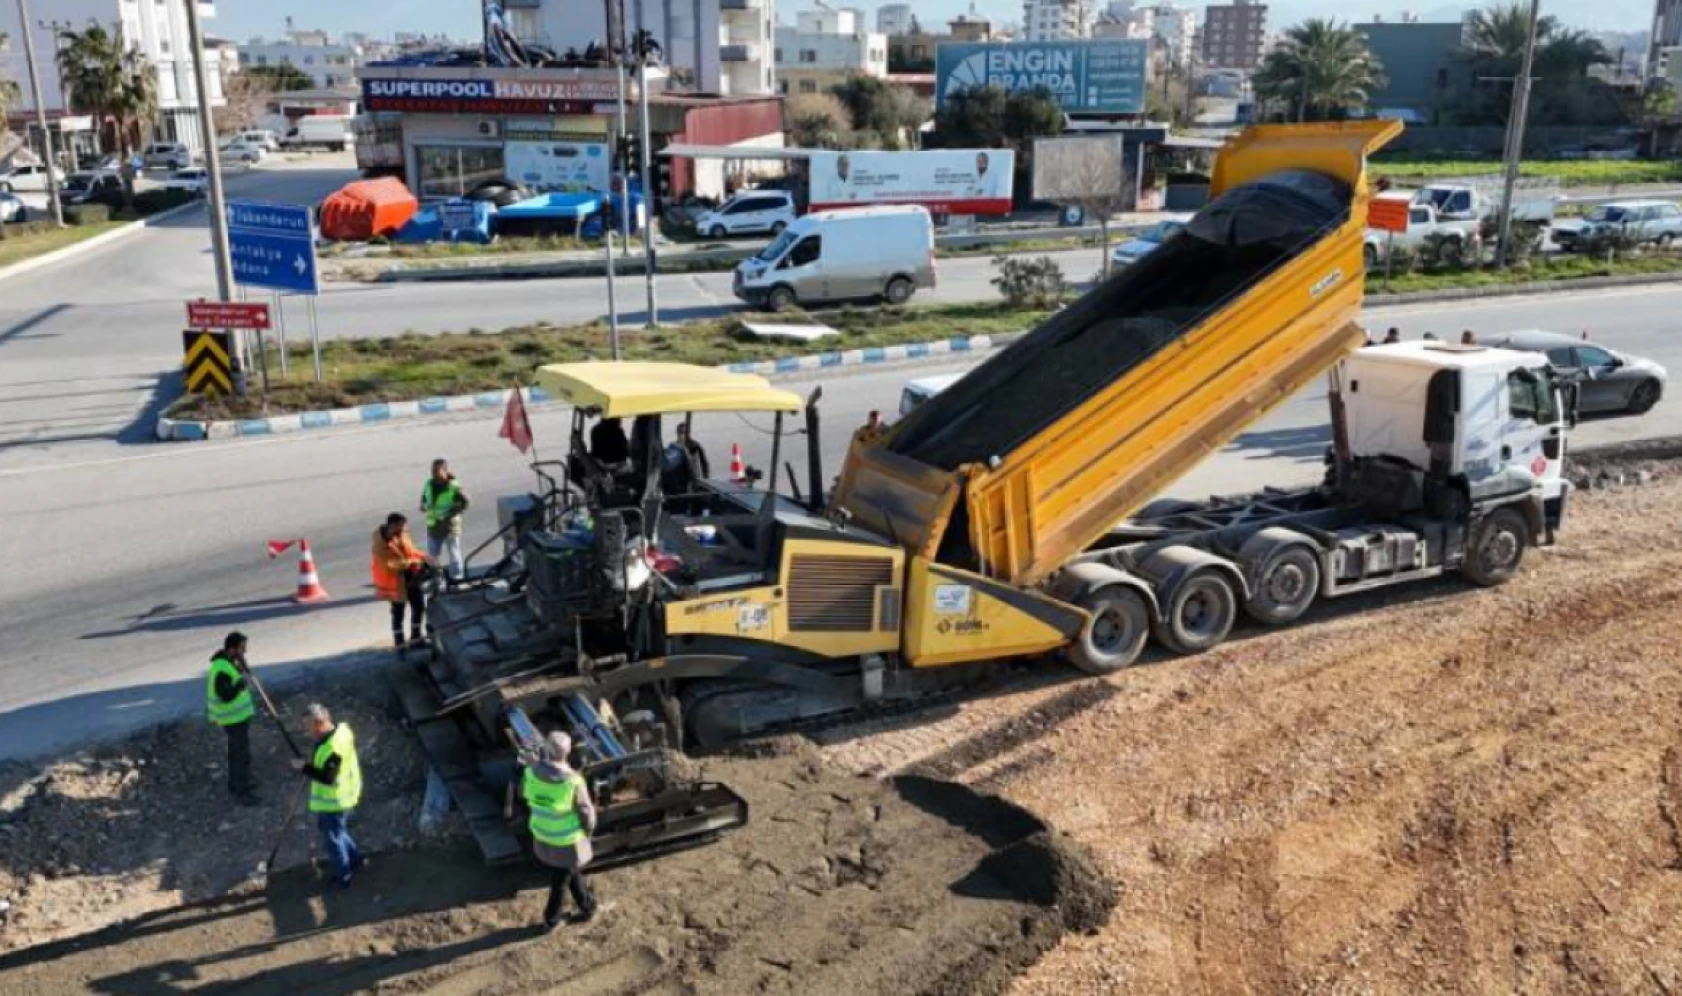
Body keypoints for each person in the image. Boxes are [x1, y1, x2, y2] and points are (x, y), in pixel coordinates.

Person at [523, 731, 600, 931]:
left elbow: (526, 793)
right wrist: (587, 833)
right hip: (566, 841)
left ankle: (588, 905)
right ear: (568, 752)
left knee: (569, 870)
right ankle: (551, 919)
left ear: (546, 749)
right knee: (560, 879)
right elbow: (587, 815)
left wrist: (535, 764)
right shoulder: (573, 781)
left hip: (542, 834)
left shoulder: (530, 772)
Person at [294, 703, 364, 890]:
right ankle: (356, 859)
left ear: (318, 723)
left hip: (335, 801)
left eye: (307, 726)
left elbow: (327, 777)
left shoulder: (332, 747)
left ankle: (344, 876)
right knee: (339, 832)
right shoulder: (341, 732)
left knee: (333, 839)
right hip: (346, 794)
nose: (305, 730)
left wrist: (304, 768)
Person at [206, 631, 259, 807]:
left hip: (238, 718)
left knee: (239, 753)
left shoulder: (228, 662)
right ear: (232, 648)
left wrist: (240, 668)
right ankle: (241, 790)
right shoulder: (221, 669)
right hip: (232, 720)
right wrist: (239, 685)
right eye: (242, 648)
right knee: (240, 755)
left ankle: (237, 784)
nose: (245, 652)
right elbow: (225, 695)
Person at [372, 513, 429, 651]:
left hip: (410, 576)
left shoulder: (402, 533)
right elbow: (389, 563)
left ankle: (416, 636)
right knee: (398, 612)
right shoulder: (381, 543)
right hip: (394, 581)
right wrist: (412, 563)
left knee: (419, 606)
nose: (404, 528)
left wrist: (424, 557)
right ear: (392, 525)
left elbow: (410, 550)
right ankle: (399, 642)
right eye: (401, 525)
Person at [420, 459, 469, 581]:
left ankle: (457, 578)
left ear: (445, 471)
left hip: (449, 527)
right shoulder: (429, 483)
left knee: (454, 553)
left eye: (437, 471)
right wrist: (422, 504)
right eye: (432, 470)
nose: (434, 473)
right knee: (432, 555)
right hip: (433, 526)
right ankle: (435, 579)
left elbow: (465, 502)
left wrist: (450, 514)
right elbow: (424, 497)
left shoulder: (453, 486)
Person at [661, 423, 710, 498]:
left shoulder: (694, 445)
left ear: (688, 433)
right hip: (680, 480)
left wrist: (706, 479)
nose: (681, 435)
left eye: (683, 433)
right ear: (676, 433)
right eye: (680, 433)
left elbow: (704, 463)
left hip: (693, 477)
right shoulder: (674, 448)